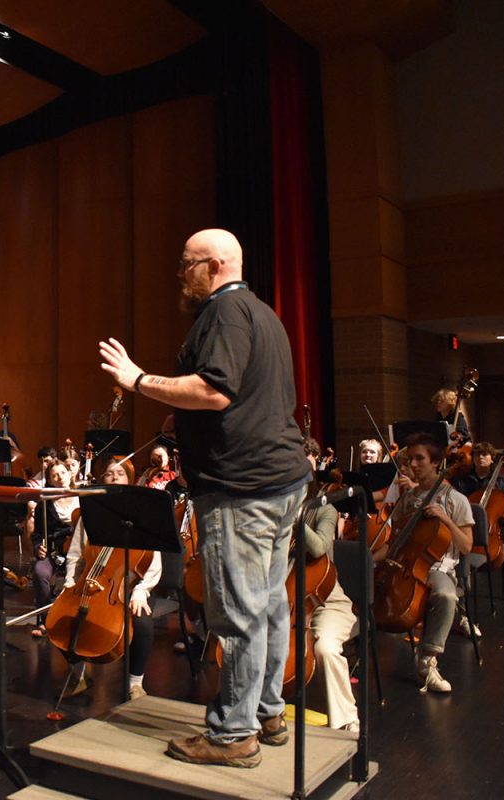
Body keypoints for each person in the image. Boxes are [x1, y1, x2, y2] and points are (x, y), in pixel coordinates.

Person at [99, 228, 310, 768]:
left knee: (238, 612)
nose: (180, 273)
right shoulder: (264, 314)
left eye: (187, 264)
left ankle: (232, 735)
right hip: (280, 483)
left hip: (242, 490)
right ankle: (267, 712)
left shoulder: (223, 314)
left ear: (214, 265)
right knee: (269, 603)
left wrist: (139, 379)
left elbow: (216, 389)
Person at [374, 434, 474, 693]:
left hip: (437, 567)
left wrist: (446, 520)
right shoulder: (407, 499)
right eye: (411, 459)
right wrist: (370, 558)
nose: (413, 464)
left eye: (420, 459)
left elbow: (466, 546)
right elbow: (395, 541)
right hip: (405, 564)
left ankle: (427, 659)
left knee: (445, 594)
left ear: (436, 464)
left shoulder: (456, 500)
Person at [60, 457, 161, 700]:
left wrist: (141, 590)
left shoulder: (142, 514)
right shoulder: (89, 514)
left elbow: (153, 562)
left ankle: (134, 682)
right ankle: (79, 672)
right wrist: (70, 584)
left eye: (120, 473)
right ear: (101, 479)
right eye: (108, 473)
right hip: (90, 581)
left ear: (130, 480)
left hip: (130, 584)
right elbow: (75, 555)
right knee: (63, 617)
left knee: (142, 622)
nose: (114, 477)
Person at [301, 440, 359, 732]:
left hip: (326, 602)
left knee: (324, 647)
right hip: (286, 601)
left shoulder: (324, 510)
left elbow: (321, 546)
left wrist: (294, 519)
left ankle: (348, 718)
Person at [453, 441, 504, 603]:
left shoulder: (501, 482)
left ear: (492, 459)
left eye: (484, 454)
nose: (480, 458)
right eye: (477, 454)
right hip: (468, 526)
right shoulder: (462, 481)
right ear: (472, 458)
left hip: (494, 527)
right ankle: (459, 582)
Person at [24, 461, 78, 637]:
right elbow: (38, 534)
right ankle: (45, 619)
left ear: (70, 474)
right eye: (55, 475)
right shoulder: (44, 505)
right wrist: (38, 546)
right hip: (55, 551)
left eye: (63, 472)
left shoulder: (82, 499)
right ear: (49, 480)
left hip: (79, 551)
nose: (60, 477)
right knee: (40, 572)